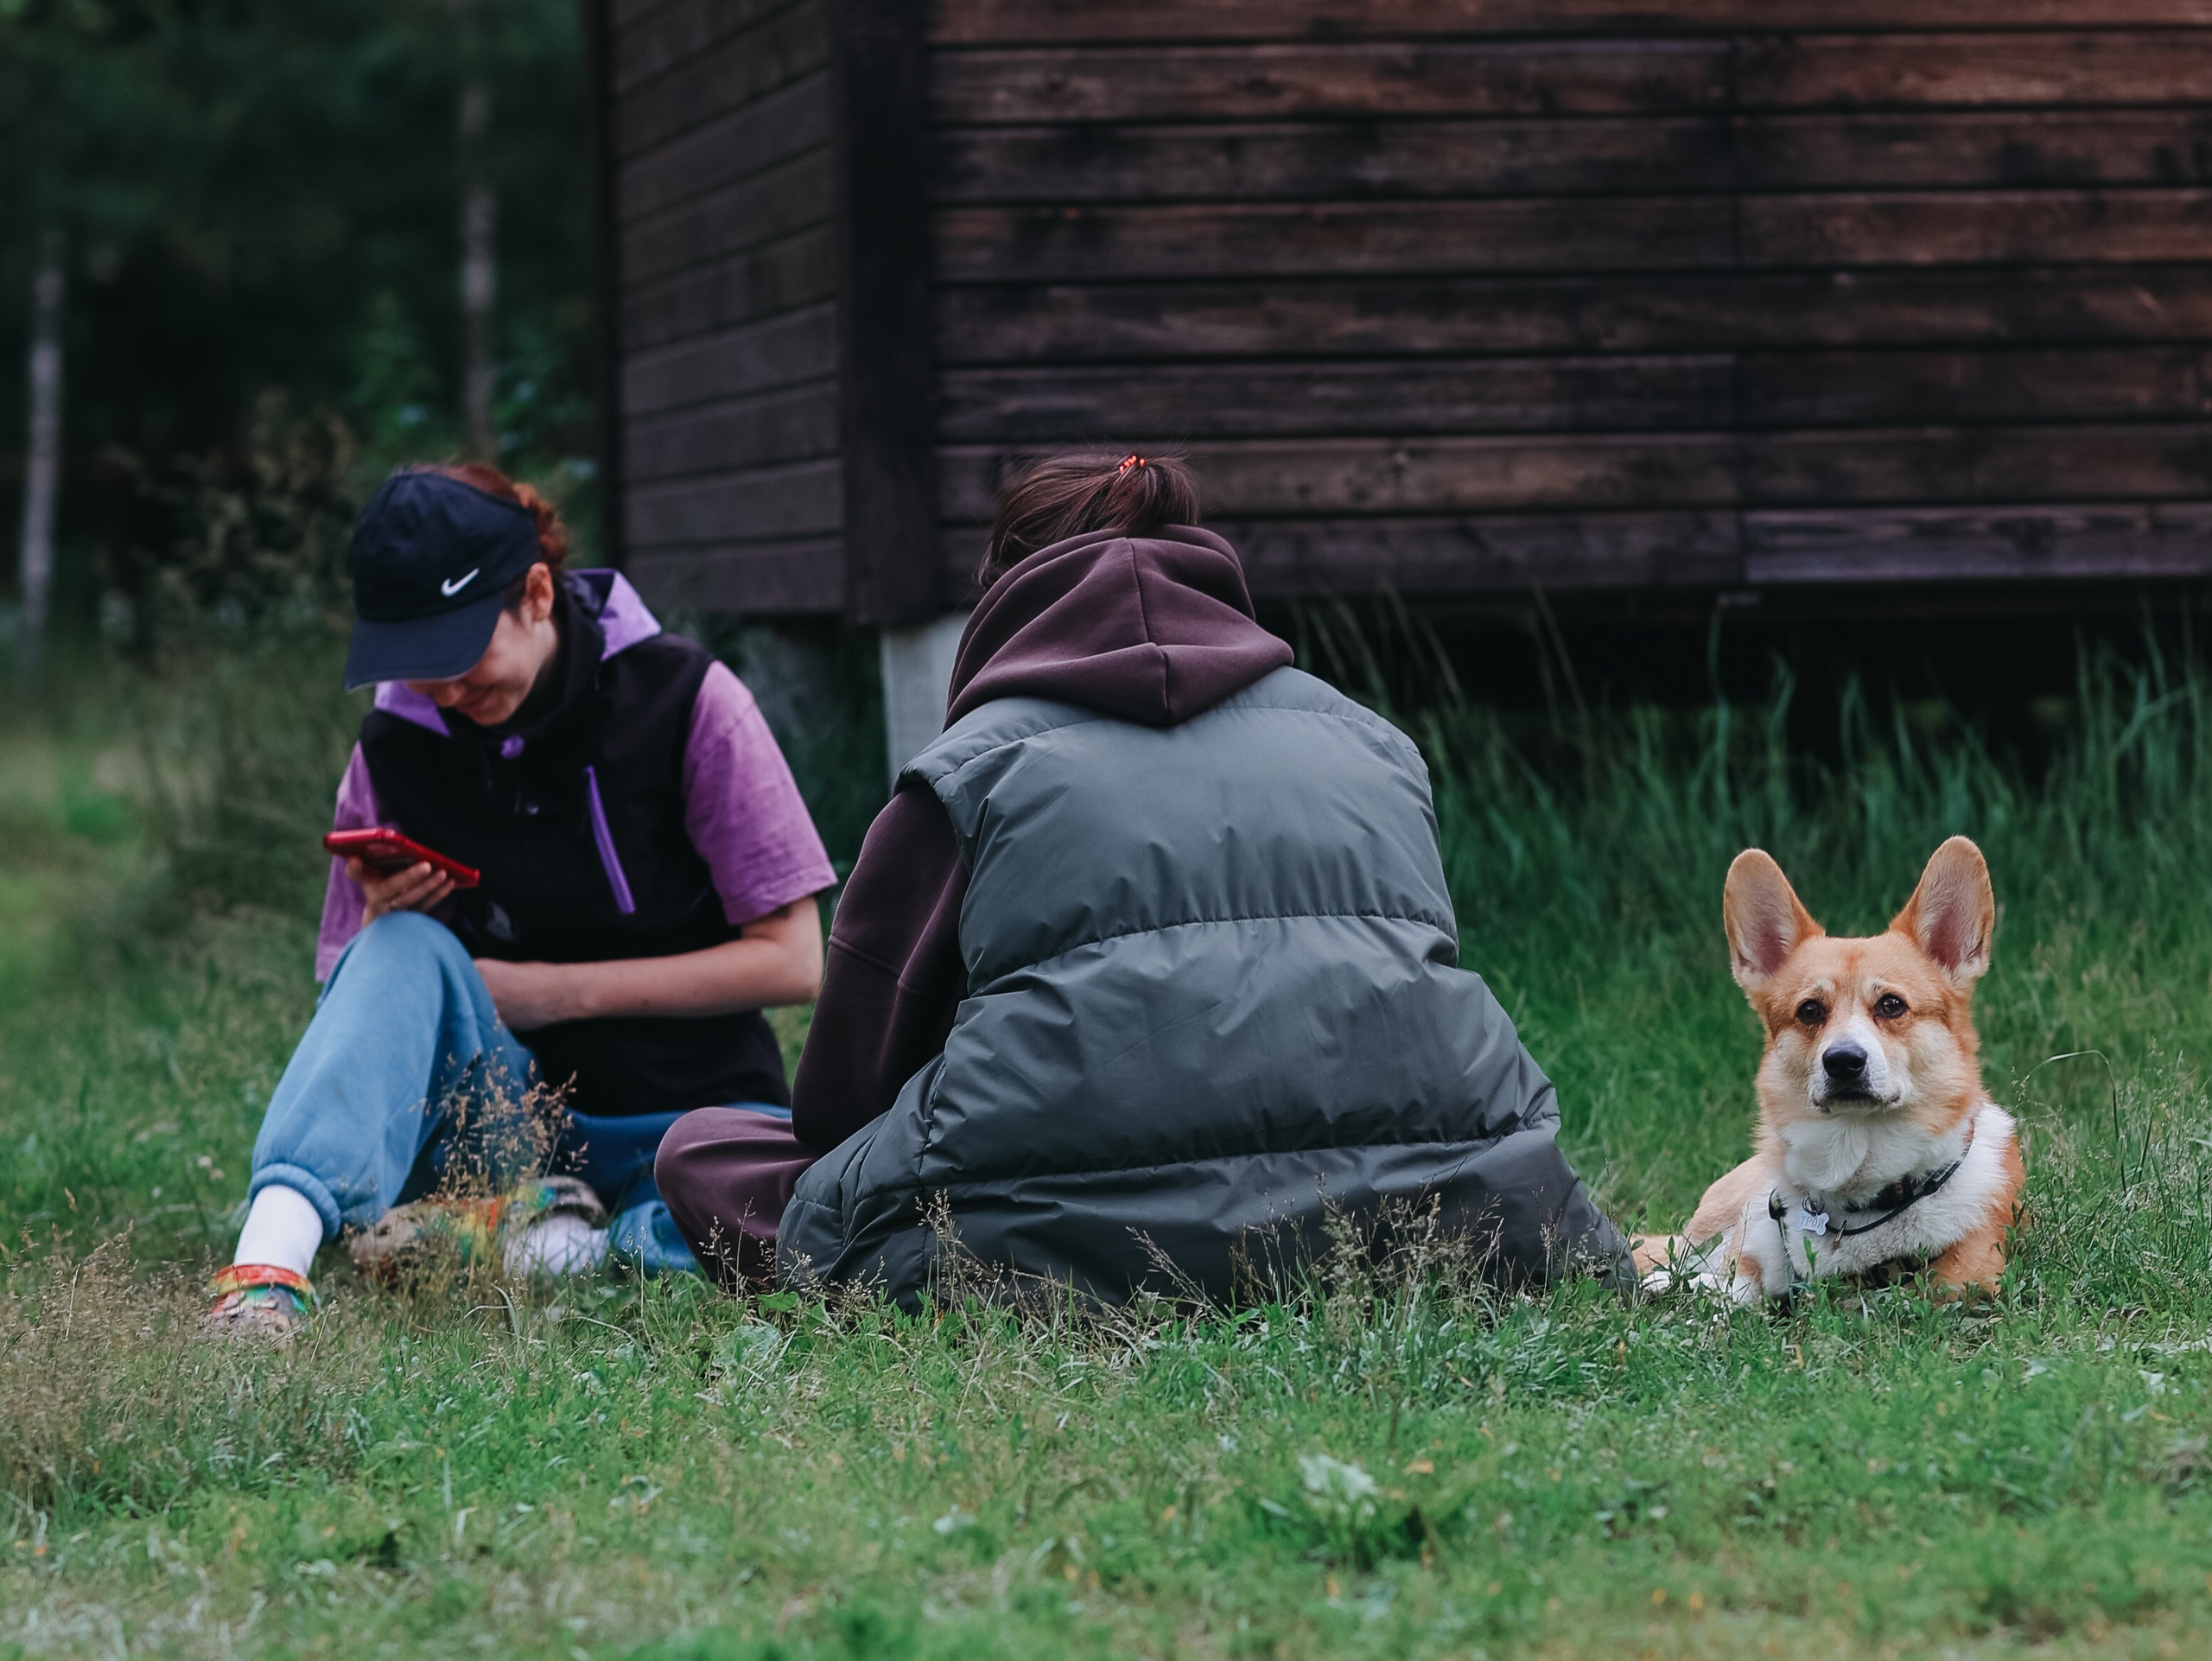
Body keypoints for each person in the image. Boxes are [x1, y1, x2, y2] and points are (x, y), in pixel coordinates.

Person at [654, 451, 1624, 1304]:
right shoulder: (1372, 741)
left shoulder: (970, 768)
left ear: (1001, 587)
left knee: (708, 1152)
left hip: (1070, 1243)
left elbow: (842, 1104)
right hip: (1409, 1216)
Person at [207, 465, 834, 1336]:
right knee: (395, 949)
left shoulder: (689, 700)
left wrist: (546, 989)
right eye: (417, 672)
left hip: (688, 1116)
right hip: (500, 1125)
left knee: (811, 1206)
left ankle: (554, 1242)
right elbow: (352, 1024)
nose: (448, 696)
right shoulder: (393, 746)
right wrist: (391, 928)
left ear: (536, 592)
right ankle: (267, 1267)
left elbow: (795, 959)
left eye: (462, 661)